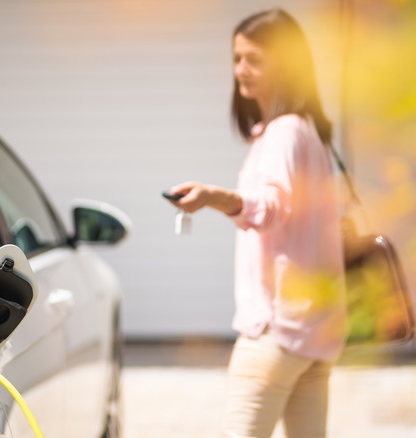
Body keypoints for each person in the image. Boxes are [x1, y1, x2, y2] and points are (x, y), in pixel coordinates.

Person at [165, 8, 346, 438]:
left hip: (276, 331)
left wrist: (213, 197)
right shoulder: (309, 132)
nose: (240, 70)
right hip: (316, 333)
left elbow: (271, 208)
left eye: (254, 60)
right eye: (236, 58)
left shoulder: (284, 132)